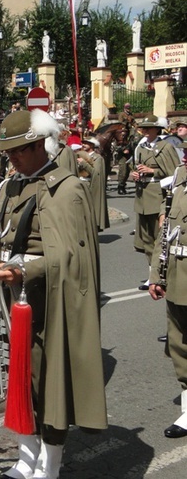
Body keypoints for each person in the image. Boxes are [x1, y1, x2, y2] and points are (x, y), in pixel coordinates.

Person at [0, 109, 107, 479]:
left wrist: (24, 269)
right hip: (13, 301)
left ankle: (50, 464)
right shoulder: (9, 186)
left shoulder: (67, 187)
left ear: (40, 144)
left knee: (47, 381)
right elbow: (3, 236)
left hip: (50, 302)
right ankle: (27, 456)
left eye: (19, 151)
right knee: (18, 379)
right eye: (7, 152)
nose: (12, 158)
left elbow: (71, 255)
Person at [149, 139, 187, 438]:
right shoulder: (179, 179)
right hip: (177, 273)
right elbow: (166, 231)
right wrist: (156, 275)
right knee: (179, 344)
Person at [131, 115, 180, 290]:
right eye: (143, 128)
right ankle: (152, 275)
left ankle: (163, 274)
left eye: (148, 128)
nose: (144, 130)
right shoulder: (141, 147)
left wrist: (152, 171)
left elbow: (175, 173)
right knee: (146, 239)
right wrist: (134, 174)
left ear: (156, 130)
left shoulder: (165, 147)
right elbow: (135, 166)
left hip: (157, 195)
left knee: (159, 237)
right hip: (142, 195)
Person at [79, 138, 110, 231]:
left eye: (86, 143)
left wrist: (84, 163)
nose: (83, 144)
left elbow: (95, 173)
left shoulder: (98, 158)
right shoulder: (80, 155)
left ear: (92, 145)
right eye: (83, 142)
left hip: (90, 185)